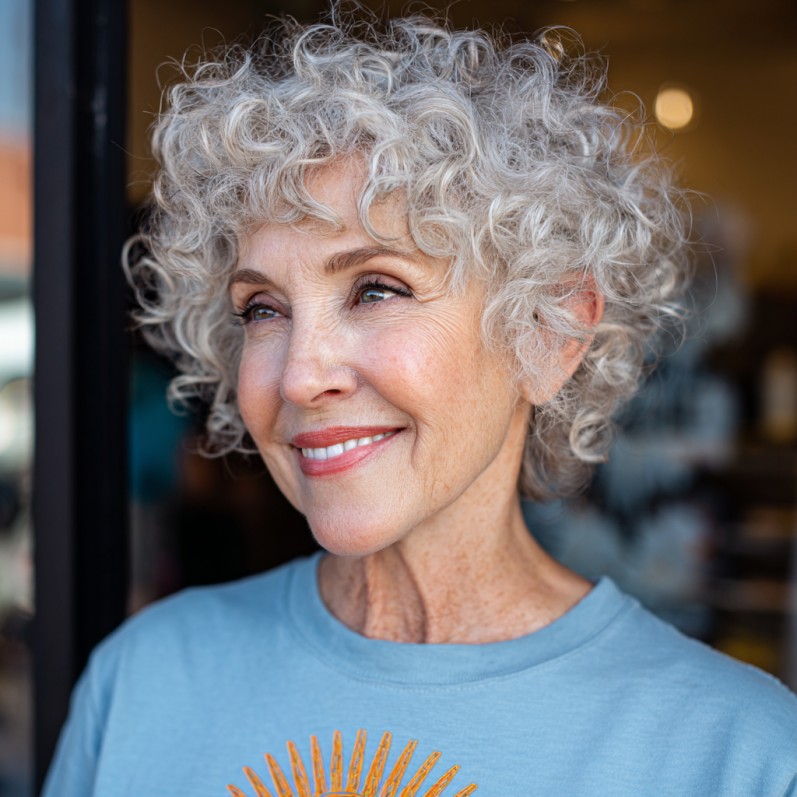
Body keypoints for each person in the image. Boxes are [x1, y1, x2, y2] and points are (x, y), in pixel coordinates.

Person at [43, 12, 797, 797]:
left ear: (549, 331)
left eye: (376, 288)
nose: (300, 375)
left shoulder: (734, 756)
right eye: (262, 308)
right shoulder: (145, 680)